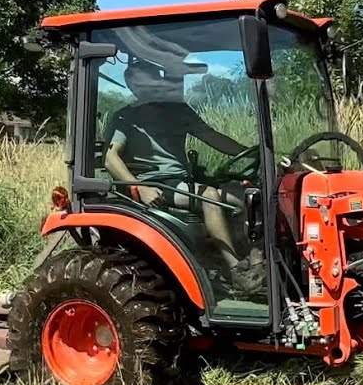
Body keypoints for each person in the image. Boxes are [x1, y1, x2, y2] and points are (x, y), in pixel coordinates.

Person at [103, 56, 265, 292]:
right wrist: (139, 186)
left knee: (251, 196)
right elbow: (110, 157)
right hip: (155, 183)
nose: (144, 86)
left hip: (181, 181)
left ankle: (257, 261)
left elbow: (212, 137)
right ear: (131, 84)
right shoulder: (127, 116)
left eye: (150, 79)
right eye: (138, 81)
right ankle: (236, 271)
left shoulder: (178, 111)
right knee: (209, 195)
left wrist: (252, 153)